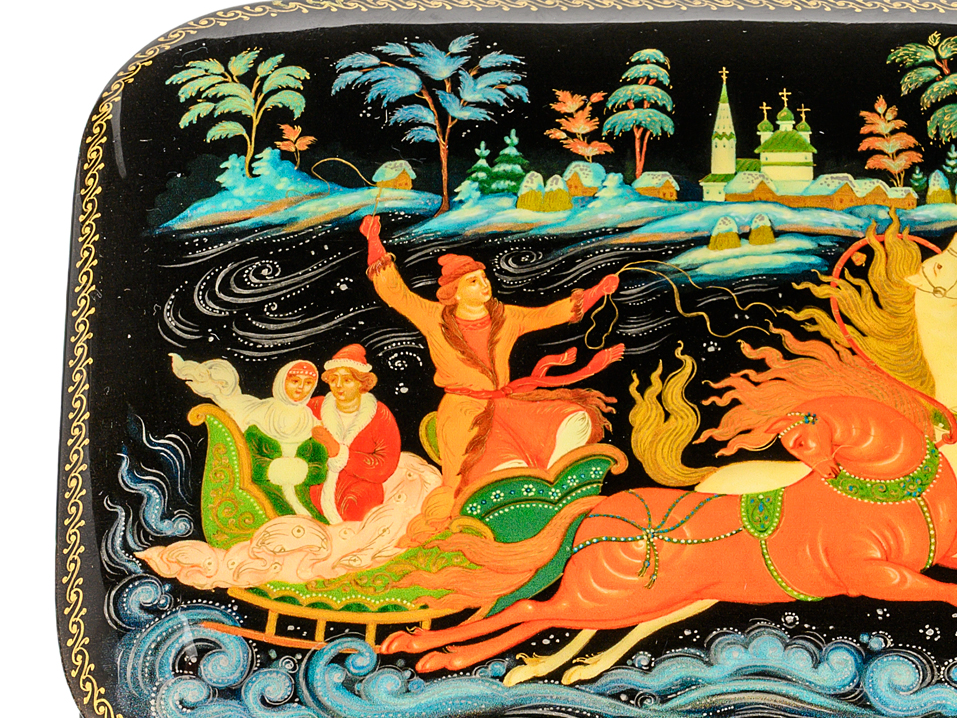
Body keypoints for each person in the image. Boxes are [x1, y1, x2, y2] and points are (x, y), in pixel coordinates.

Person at [360, 215, 623, 530]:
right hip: (463, 413)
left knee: (575, 419)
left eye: (483, 278)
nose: (484, 284)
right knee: (483, 475)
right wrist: (374, 241)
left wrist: (597, 292)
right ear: (456, 292)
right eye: (473, 281)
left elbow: (549, 313)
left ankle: (552, 484)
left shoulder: (506, 317)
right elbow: (396, 293)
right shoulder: (434, 318)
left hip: (505, 405)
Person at [170, 353, 328, 518]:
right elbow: (249, 462)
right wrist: (276, 470)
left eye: (308, 383)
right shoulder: (262, 415)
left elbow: (319, 466)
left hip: (303, 498)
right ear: (282, 382)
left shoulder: (312, 421)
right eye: (295, 381)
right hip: (264, 494)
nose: (301, 388)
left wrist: (304, 471)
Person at [308, 344, 402, 524]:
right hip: (316, 498)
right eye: (333, 379)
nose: (338, 385)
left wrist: (339, 453)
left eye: (347, 380)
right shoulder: (315, 407)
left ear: (362, 383)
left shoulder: (379, 415)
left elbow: (385, 465)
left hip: (360, 501)